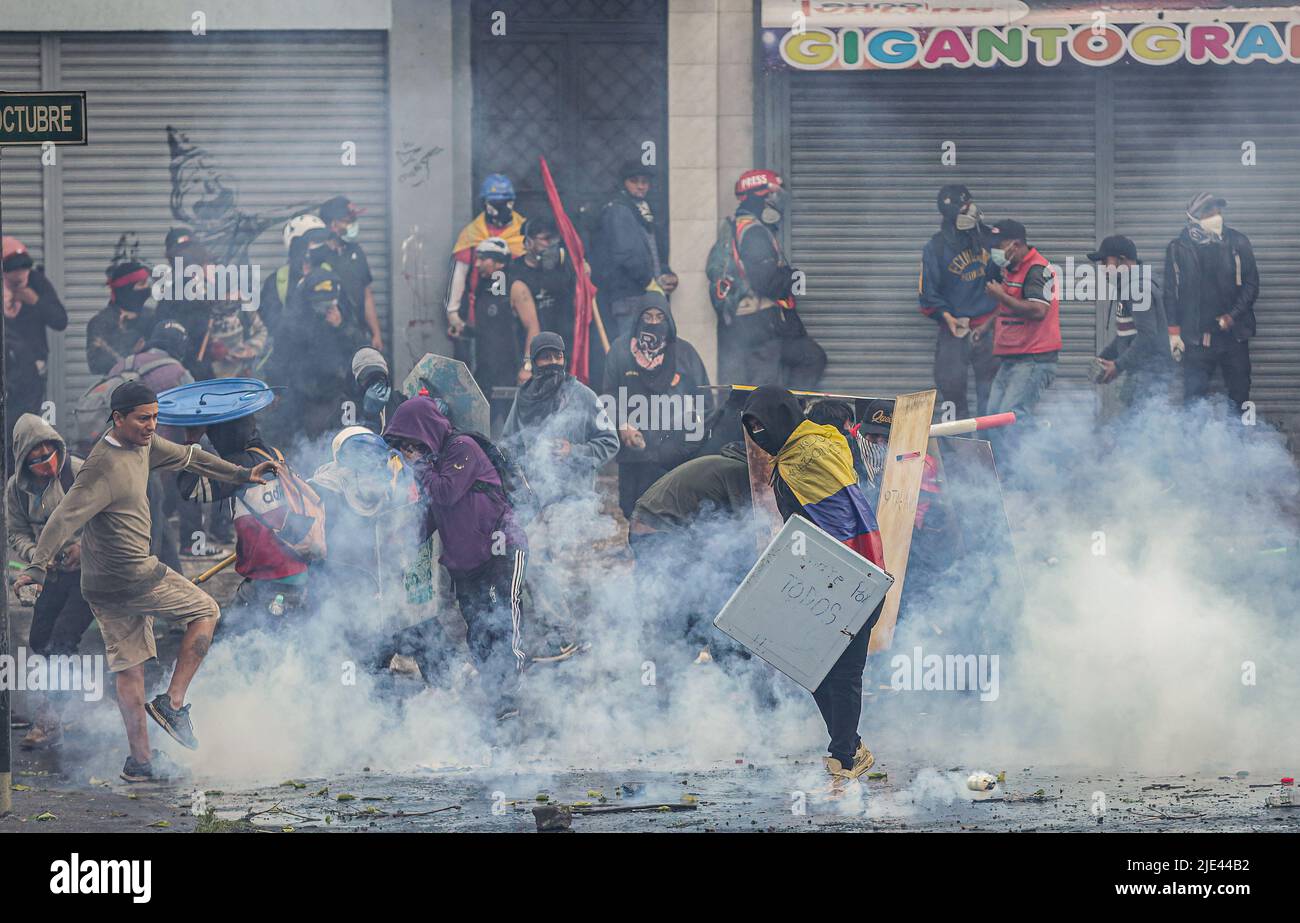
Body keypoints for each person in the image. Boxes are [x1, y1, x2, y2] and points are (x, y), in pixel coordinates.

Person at [13, 381, 277, 783]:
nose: (152, 425)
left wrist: (242, 473)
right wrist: (36, 567)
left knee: (130, 671)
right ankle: (172, 703)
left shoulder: (144, 445)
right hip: (133, 576)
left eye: (155, 417)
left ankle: (140, 763)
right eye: (143, 418)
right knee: (207, 611)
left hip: (101, 585)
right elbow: (63, 517)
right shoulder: (100, 466)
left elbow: (192, 458)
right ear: (117, 419)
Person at [740, 386, 885, 790]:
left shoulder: (803, 456)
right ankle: (848, 750)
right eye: (751, 426)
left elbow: (831, 522)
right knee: (812, 663)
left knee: (843, 669)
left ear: (783, 416)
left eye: (762, 423)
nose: (758, 432)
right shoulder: (822, 443)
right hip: (829, 571)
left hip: (851, 572)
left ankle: (843, 758)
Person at [383, 396, 530, 723]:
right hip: (465, 565)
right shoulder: (431, 468)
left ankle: (509, 699)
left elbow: (447, 491)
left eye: (411, 443)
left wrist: (419, 465)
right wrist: (403, 544)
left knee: (501, 625)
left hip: (499, 552)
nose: (409, 452)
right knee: (478, 633)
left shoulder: (461, 448)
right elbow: (434, 513)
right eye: (404, 447)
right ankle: (497, 698)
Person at [501, 332, 619, 657]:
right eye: (545, 357)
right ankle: (564, 635)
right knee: (532, 564)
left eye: (557, 356)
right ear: (534, 361)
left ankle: (574, 636)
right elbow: (508, 441)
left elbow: (611, 441)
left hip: (574, 500)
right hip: (535, 500)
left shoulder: (582, 395)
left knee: (557, 569)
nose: (552, 362)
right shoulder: (523, 397)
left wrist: (574, 450)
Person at [176, 395, 313, 634]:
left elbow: (190, 489)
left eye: (214, 433)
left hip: (270, 582)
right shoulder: (274, 454)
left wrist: (192, 440)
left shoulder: (238, 467)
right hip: (295, 574)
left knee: (232, 643)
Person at [6, 414, 96, 749]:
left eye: (50, 454)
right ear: (24, 460)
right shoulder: (16, 490)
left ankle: (51, 715)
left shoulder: (80, 470)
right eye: (37, 459)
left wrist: (84, 545)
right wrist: (38, 556)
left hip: (91, 572)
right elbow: (16, 533)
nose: (48, 463)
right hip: (52, 574)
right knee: (40, 639)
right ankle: (66, 701)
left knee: (61, 640)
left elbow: (111, 515)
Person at [715, 169, 825, 390]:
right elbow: (766, 282)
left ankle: (791, 407)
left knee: (811, 356)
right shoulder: (754, 233)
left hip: (749, 325)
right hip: (759, 325)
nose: (774, 202)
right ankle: (787, 412)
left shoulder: (736, 226)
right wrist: (792, 277)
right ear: (759, 196)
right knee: (764, 389)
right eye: (771, 196)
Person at [602, 293, 710, 518]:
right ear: (637, 319)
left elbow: (703, 400)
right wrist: (623, 425)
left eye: (659, 317)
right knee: (633, 510)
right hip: (635, 454)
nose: (652, 323)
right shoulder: (621, 351)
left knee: (671, 511)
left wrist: (693, 440)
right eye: (647, 316)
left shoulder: (685, 353)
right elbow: (609, 397)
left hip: (673, 452)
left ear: (669, 320)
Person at [1163, 192, 1260, 413]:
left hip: (1234, 338)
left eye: (1218, 211)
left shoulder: (1239, 242)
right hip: (1197, 340)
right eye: (1209, 212)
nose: (1216, 216)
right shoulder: (1177, 249)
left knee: (1240, 397)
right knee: (1193, 401)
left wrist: (1232, 316)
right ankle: (1196, 446)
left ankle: (1241, 444)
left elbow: (1251, 285)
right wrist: (1174, 333)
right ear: (1194, 217)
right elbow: (1171, 293)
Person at [919, 184, 999, 419]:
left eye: (970, 203)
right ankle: (960, 451)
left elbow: (1009, 281)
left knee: (992, 394)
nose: (971, 210)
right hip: (954, 329)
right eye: (965, 207)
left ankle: (993, 449)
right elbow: (927, 293)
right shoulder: (936, 246)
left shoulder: (990, 239)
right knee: (952, 391)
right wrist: (947, 317)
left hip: (990, 328)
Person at [264, 266, 364, 455]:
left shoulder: (343, 314)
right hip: (301, 394)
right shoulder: (293, 320)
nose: (324, 308)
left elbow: (360, 350)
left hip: (336, 394)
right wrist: (275, 387)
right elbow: (279, 356)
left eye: (329, 303)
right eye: (320, 304)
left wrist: (341, 327)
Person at [977, 220, 1060, 444]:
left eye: (999, 245)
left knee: (1011, 418)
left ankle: (1045, 440)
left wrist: (1000, 296)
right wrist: (986, 327)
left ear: (1015, 245)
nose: (994, 251)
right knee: (993, 418)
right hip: (1012, 357)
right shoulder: (1011, 268)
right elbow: (1011, 305)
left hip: (1034, 359)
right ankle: (1003, 474)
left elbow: (1038, 310)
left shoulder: (1037, 270)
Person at [457, 237, 541, 429]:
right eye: (476, 259)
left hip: (511, 374)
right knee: (483, 431)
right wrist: (465, 329)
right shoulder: (483, 288)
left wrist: (527, 367)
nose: (477, 264)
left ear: (499, 262)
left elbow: (533, 328)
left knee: (514, 432)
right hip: (485, 374)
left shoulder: (516, 288)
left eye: (483, 259)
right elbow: (491, 327)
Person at [589, 159, 677, 341]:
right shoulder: (619, 211)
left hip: (643, 295)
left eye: (644, 182)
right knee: (632, 352)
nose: (640, 186)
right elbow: (626, 254)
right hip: (629, 295)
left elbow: (652, 252)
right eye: (634, 181)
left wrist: (664, 273)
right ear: (624, 183)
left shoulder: (642, 210)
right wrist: (650, 282)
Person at [1089, 235, 1175, 410]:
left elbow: (1147, 336)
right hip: (1140, 372)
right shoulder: (1129, 286)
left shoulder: (1138, 288)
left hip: (1150, 374)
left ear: (1121, 260)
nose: (1103, 269)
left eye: (1106, 262)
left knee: (1142, 429)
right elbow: (1126, 335)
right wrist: (1105, 357)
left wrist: (1118, 365)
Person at [446, 174, 527, 340]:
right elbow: (458, 274)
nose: (503, 207)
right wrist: (453, 313)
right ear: (485, 204)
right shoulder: (472, 234)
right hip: (478, 316)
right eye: (496, 203)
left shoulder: (524, 232)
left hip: (515, 317)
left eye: (507, 202)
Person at [4, 237, 68, 425]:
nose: (18, 275)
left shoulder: (36, 282)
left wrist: (36, 301)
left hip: (32, 367)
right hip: (6, 365)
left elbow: (60, 320)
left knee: (26, 423)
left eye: (23, 269)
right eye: (12, 270)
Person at [154, 228, 221, 382]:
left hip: (225, 378)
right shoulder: (169, 297)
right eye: (181, 253)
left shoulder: (220, 287)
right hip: (185, 378)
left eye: (192, 250)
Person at [320, 195, 383, 350]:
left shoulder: (356, 252)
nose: (353, 225)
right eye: (348, 221)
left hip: (356, 337)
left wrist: (376, 333)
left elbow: (366, 294)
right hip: (328, 341)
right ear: (332, 225)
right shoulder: (318, 257)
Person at [511, 215, 578, 353]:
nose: (552, 244)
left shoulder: (564, 269)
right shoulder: (513, 270)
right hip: (525, 347)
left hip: (560, 345)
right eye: (546, 239)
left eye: (555, 239)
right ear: (528, 242)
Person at [259, 213, 327, 337]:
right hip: (291, 353)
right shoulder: (277, 282)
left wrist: (339, 322)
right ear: (296, 245)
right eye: (314, 240)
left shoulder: (330, 276)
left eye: (321, 240)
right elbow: (270, 325)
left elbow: (348, 323)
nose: (319, 245)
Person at [86, 258, 156, 376]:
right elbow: (96, 365)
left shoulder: (152, 317)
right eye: (141, 284)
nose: (147, 288)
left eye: (147, 283)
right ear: (126, 289)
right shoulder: (101, 322)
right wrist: (131, 353)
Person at [350, 347, 404, 433]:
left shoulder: (400, 402)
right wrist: (368, 416)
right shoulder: (348, 406)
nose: (375, 384)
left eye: (379, 377)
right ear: (358, 382)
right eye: (369, 379)